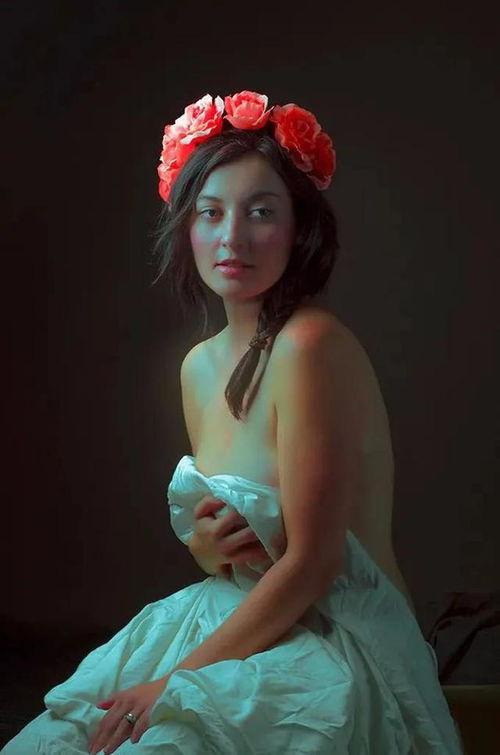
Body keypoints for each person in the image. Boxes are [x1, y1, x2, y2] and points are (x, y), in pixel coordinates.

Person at [2, 90, 464, 753]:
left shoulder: (310, 346)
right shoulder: (197, 367)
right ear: (188, 226)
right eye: (211, 213)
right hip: (238, 614)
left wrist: (174, 682)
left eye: (261, 212)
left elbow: (313, 564)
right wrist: (207, 548)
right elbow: (223, 549)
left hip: (334, 635)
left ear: (300, 229)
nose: (233, 238)